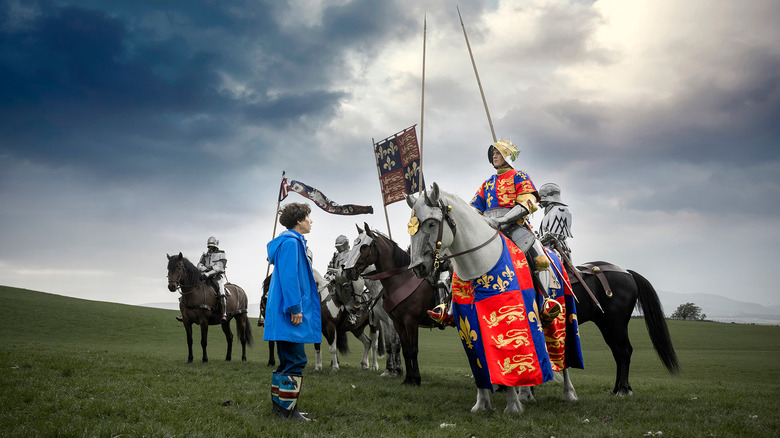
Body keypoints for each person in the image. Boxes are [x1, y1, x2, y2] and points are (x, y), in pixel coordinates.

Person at [427, 138, 553, 325]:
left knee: (540, 257)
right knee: (459, 262)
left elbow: (528, 202)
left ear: (509, 156)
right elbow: (473, 209)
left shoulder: (519, 176)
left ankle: (545, 301)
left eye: (499, 153)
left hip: (514, 225)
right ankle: (450, 307)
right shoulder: (488, 183)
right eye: (493, 153)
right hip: (488, 226)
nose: (495, 156)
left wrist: (503, 219)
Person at [264, 202, 321, 421]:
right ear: (299, 220)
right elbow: (289, 278)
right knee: (296, 361)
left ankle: (280, 410)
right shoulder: (291, 244)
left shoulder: (290, 242)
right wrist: (295, 308)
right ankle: (289, 411)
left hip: (283, 313)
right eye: (308, 216)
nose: (310, 221)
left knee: (286, 361)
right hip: (289, 313)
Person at [176, 236, 228, 323]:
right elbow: (199, 265)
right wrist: (205, 270)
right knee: (191, 289)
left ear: (216, 246)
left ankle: (224, 313)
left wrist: (208, 272)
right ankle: (184, 313)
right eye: (209, 246)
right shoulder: (205, 255)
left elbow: (219, 268)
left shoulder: (222, 254)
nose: (210, 247)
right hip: (204, 276)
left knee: (221, 293)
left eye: (212, 246)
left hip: (217, 277)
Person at [325, 235, 370, 324]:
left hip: (346, 278)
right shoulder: (335, 255)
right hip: (334, 277)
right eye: (337, 246)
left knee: (347, 292)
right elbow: (330, 266)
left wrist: (335, 271)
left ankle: (353, 314)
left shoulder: (350, 254)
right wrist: (328, 274)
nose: (338, 248)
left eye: (340, 246)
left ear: (345, 244)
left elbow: (347, 268)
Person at [538, 183, 573, 261]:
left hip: (554, 249)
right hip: (544, 247)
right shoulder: (550, 211)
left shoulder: (560, 209)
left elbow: (553, 235)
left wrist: (537, 242)